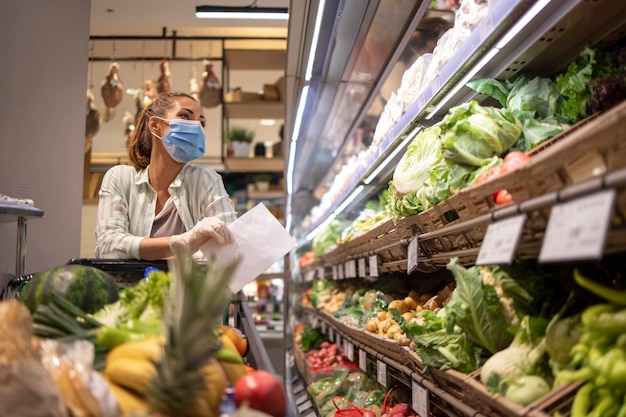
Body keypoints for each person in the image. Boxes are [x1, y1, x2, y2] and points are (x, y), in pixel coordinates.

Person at [95, 92, 237, 260]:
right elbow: (107, 246)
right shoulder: (120, 179)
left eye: (201, 123)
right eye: (185, 116)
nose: (196, 127)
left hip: (191, 287)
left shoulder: (205, 179)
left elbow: (230, 248)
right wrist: (183, 243)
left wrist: (146, 253)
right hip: (132, 287)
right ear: (155, 125)